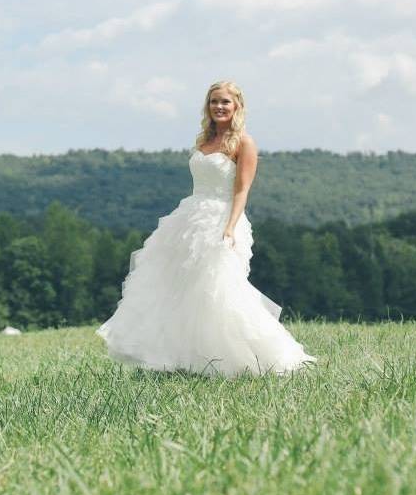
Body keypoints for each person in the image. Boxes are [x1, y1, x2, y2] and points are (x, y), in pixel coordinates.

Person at [96, 80, 316, 376]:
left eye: (225, 102)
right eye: (214, 101)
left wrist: (230, 227)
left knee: (219, 289)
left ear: (237, 105)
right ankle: (182, 359)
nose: (219, 107)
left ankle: (258, 357)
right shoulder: (203, 141)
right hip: (191, 217)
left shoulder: (244, 143)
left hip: (223, 218)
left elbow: (242, 190)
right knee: (181, 289)